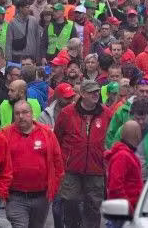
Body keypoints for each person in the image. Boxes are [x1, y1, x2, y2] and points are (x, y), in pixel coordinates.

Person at [53, 80, 110, 228]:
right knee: (70, 201)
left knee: (93, 206)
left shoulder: (106, 113)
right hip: (71, 168)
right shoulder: (67, 112)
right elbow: (57, 137)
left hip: (96, 168)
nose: (95, 94)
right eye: (91, 91)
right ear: (82, 94)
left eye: (97, 91)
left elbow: (111, 138)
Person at [3, 100, 64, 228]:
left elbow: (58, 162)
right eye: (17, 113)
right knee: (20, 225)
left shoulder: (46, 133)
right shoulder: (5, 134)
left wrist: (54, 187)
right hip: (15, 196)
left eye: (25, 112)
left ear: (32, 113)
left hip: (41, 196)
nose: (21, 116)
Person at [104, 120, 144, 214]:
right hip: (123, 213)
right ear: (137, 135)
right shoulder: (123, 156)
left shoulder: (126, 154)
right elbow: (115, 187)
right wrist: (129, 209)